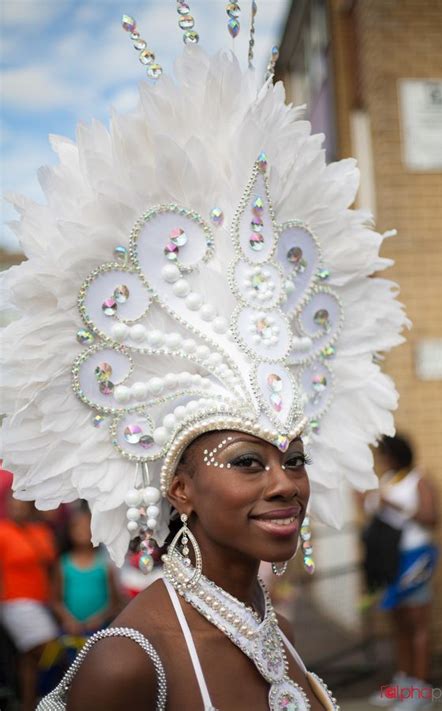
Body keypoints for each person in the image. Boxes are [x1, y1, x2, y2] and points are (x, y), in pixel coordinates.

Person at [0, 9, 408, 711]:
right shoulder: (130, 663)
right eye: (249, 460)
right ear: (180, 489)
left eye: (294, 457)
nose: (286, 483)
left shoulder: (265, 632)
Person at [366, 435, 439, 710]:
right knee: (398, 623)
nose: (381, 460)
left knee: (417, 622)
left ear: (398, 454)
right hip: (389, 558)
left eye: (384, 454)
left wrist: (395, 506)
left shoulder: (418, 479)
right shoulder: (387, 480)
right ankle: (404, 682)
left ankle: (421, 691)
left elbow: (432, 518)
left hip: (415, 557)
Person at [0, 493, 59, 711]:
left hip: (41, 601)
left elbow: (51, 566)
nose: (17, 510)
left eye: (21, 506)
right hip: (15, 601)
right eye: (12, 506)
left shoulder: (40, 531)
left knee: (28, 660)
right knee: (50, 649)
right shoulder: (2, 531)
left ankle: (28, 704)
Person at [51, 505, 123, 638]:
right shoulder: (63, 564)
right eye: (77, 526)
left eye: (87, 526)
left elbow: (115, 603)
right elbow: (55, 601)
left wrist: (99, 619)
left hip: (100, 631)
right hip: (71, 633)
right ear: (69, 531)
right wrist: (68, 620)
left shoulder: (105, 565)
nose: (82, 530)